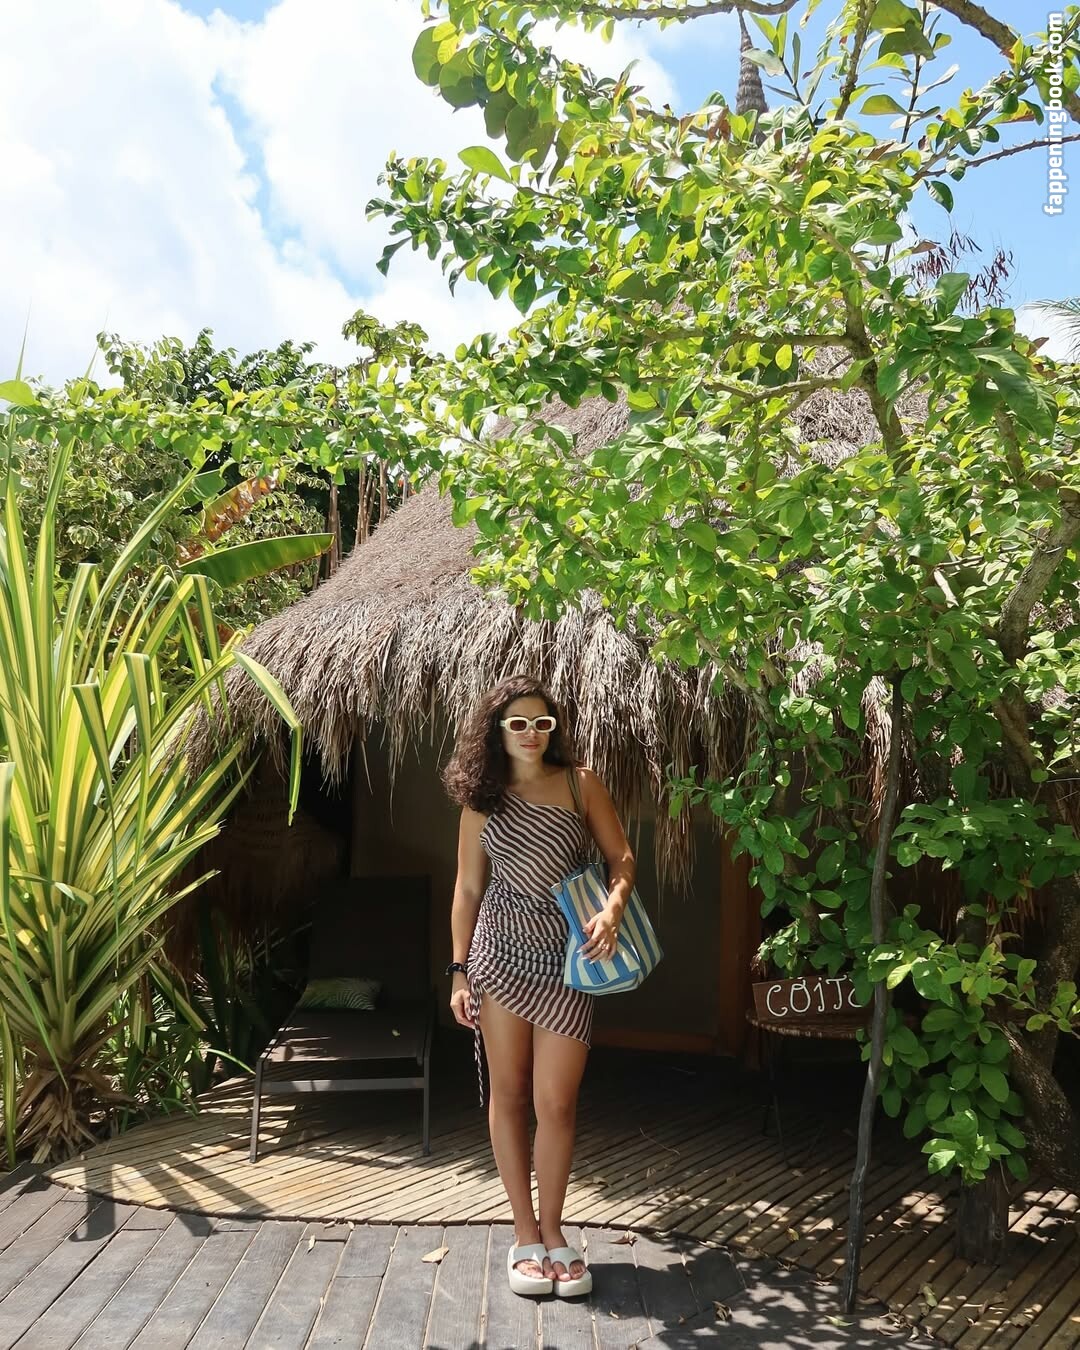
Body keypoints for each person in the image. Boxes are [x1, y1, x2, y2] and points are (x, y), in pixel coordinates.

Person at [442, 674, 636, 1298]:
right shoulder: (481, 799)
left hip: (568, 956)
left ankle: (555, 1231)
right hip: (498, 954)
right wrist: (458, 970)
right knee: (509, 1093)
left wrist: (612, 911)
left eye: (542, 723)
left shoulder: (581, 784)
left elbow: (621, 858)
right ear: (497, 730)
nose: (531, 734)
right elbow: (468, 888)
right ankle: (525, 1233)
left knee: (557, 1102)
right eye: (518, 723)